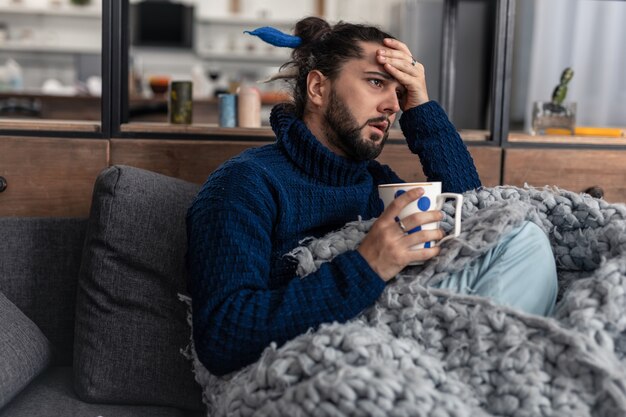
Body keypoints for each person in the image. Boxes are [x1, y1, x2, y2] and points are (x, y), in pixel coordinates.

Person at [186, 17, 557, 376]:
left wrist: (421, 107)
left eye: (399, 93)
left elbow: (478, 220)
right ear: (318, 88)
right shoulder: (245, 184)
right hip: (326, 365)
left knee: (519, 235)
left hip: (401, 342)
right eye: (376, 82)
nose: (393, 106)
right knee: (524, 241)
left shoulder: (374, 182)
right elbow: (223, 335)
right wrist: (369, 265)